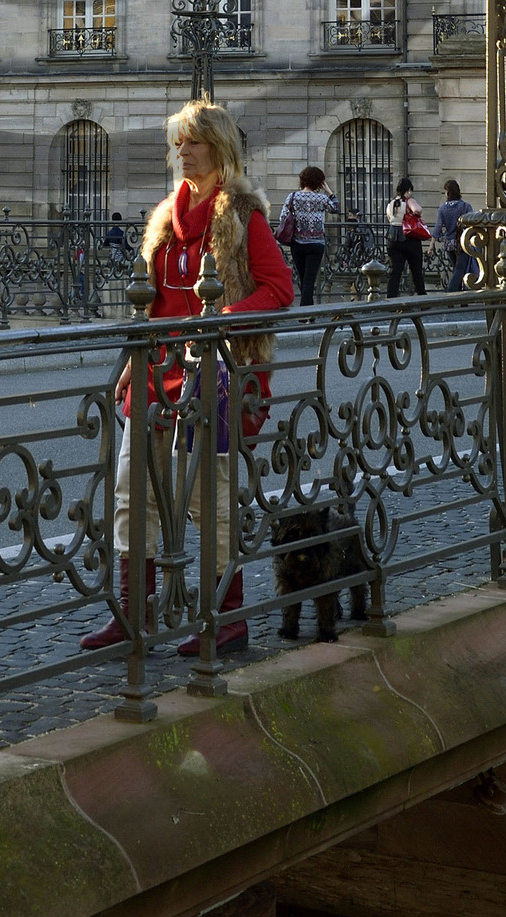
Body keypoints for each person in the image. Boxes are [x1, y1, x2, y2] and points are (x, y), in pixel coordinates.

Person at [80, 99, 293, 657]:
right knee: (133, 494)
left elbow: (279, 289)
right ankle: (135, 615)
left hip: (214, 379)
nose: (182, 151)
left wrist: (219, 322)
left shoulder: (243, 216)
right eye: (178, 142)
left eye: (192, 142)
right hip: (156, 375)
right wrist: (133, 364)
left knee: (209, 498)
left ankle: (226, 617)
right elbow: (151, 305)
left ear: (219, 147)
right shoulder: (164, 219)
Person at [276, 166, 337, 305]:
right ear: (319, 182)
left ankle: (307, 310)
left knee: (303, 279)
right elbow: (336, 209)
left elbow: (282, 217)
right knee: (309, 280)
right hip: (316, 244)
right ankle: (307, 311)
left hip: (297, 244)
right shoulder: (321, 198)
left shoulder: (293, 196)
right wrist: (329, 192)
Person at [385, 177, 430, 297]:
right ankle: (421, 295)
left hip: (393, 238)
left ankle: (391, 298)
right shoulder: (409, 201)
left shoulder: (391, 204)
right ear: (408, 190)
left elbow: (389, 218)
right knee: (416, 270)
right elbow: (418, 210)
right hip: (409, 238)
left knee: (395, 272)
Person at [436, 179, 475, 291]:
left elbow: (438, 227)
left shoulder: (442, 208)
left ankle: (456, 295)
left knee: (456, 269)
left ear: (447, 192)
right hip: (463, 241)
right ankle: (452, 291)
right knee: (460, 268)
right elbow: (473, 222)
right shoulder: (465, 206)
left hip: (449, 243)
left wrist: (438, 238)